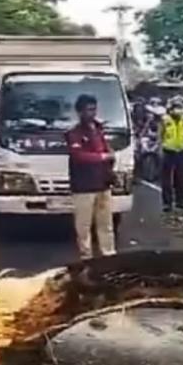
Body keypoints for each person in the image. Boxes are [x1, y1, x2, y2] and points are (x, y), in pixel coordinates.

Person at [65, 95, 116, 260]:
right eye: (88, 109)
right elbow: (79, 156)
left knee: (106, 225)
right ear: (79, 112)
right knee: (83, 226)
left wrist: (108, 161)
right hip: (83, 187)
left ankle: (109, 255)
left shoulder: (100, 129)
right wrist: (102, 157)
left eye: (94, 109)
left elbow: (108, 152)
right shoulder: (74, 133)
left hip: (102, 184)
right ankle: (86, 258)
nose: (92, 113)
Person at [159, 96, 183, 212]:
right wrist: (160, 149)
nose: (178, 110)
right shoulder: (165, 119)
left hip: (182, 151)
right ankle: (167, 203)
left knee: (181, 178)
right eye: (176, 107)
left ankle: (180, 202)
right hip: (168, 151)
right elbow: (160, 135)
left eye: (180, 107)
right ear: (170, 108)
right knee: (166, 180)